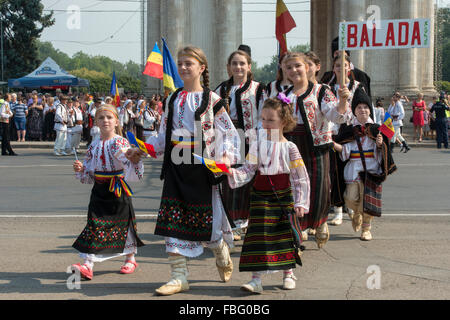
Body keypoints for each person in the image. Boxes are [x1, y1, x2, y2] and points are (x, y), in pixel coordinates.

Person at [145, 46, 240, 296]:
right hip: (177, 167)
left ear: (202, 68)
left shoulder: (213, 100)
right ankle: (179, 277)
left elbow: (228, 133)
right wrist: (145, 148)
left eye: (189, 63)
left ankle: (219, 248)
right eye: (181, 63)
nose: (184, 67)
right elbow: (163, 134)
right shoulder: (172, 99)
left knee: (207, 226)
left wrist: (226, 157)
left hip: (202, 167)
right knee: (172, 222)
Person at [226, 95, 310, 294]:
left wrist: (301, 202)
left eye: (270, 120)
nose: (265, 123)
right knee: (257, 236)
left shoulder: (291, 148)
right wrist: (230, 171)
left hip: (283, 195)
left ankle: (288, 273)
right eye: (263, 119)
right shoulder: (256, 145)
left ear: (284, 122)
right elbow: (248, 170)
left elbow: (301, 177)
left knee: (284, 235)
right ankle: (256, 279)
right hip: (260, 195)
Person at [283, 52, 351, 248]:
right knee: (294, 186)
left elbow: (336, 117)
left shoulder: (321, 91)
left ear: (307, 67)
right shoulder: (284, 95)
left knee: (318, 187)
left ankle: (320, 221)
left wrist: (343, 102)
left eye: (298, 66)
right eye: (289, 67)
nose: (294, 70)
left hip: (316, 146)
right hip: (291, 144)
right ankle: (300, 226)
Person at [70, 104, 145, 280]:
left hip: (117, 189)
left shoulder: (119, 141)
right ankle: (88, 264)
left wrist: (132, 157)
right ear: (95, 122)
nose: (105, 121)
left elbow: (125, 156)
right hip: (99, 189)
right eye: (101, 118)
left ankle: (130, 258)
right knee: (94, 224)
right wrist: (81, 169)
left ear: (116, 121)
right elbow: (90, 170)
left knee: (123, 224)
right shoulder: (93, 145)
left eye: (109, 117)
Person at [333, 87, 397, 240]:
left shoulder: (377, 129)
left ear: (370, 110)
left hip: (371, 169)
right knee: (349, 198)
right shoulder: (349, 130)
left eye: (366, 107)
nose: (363, 110)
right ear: (354, 111)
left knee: (367, 203)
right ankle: (355, 213)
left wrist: (381, 144)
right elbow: (345, 148)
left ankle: (366, 230)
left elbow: (385, 152)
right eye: (359, 107)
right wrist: (332, 143)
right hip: (354, 169)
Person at [215, 49, 265, 238]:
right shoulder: (220, 90)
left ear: (249, 66)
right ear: (229, 67)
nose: (238, 67)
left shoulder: (259, 89)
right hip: (227, 141)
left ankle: (249, 222)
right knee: (230, 180)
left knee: (251, 180)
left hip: (251, 139)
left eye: (242, 63)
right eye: (234, 63)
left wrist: (258, 137)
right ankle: (233, 223)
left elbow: (263, 114)